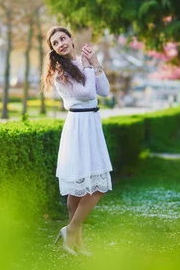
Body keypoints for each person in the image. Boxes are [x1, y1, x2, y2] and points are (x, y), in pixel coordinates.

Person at [41, 26, 112, 256]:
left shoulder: (84, 64)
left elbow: (104, 90)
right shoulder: (60, 72)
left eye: (63, 38)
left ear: (72, 39)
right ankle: (71, 232)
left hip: (91, 124)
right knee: (84, 187)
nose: (60, 43)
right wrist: (89, 68)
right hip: (78, 126)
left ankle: (75, 242)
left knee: (88, 187)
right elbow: (87, 93)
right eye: (55, 43)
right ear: (53, 50)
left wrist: (94, 61)